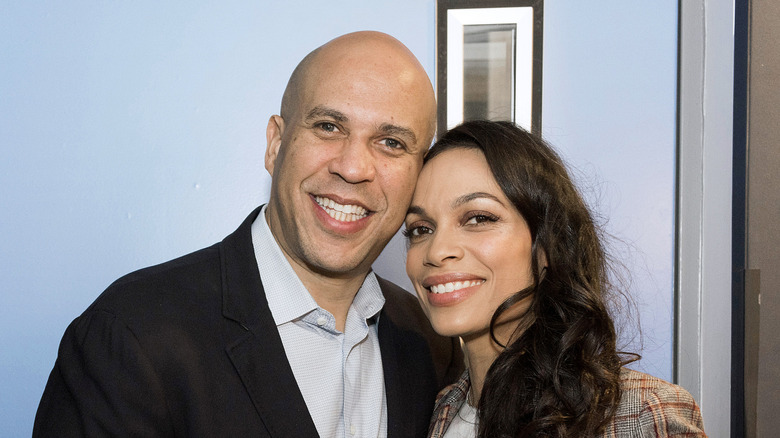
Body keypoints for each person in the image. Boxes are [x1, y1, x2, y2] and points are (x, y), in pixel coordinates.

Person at [34, 31, 463, 437]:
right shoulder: (131, 336)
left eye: (391, 142)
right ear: (275, 144)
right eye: (328, 127)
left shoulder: (429, 341)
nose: (353, 167)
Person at [403, 120, 706, 437]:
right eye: (420, 229)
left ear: (547, 246)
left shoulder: (642, 413)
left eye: (478, 218)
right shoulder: (443, 411)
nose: (437, 251)